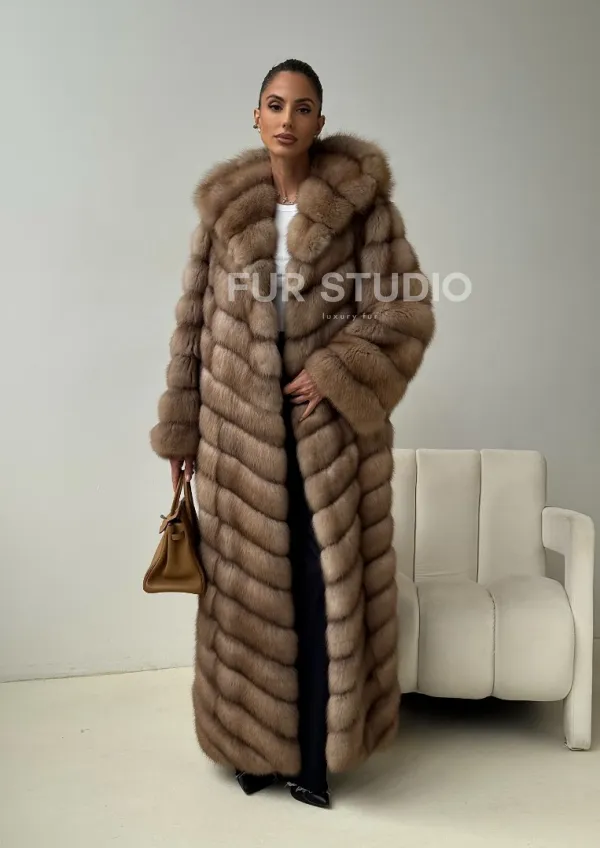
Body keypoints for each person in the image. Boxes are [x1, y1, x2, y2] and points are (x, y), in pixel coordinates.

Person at [150, 58, 435, 810]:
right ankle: (254, 747)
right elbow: (192, 328)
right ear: (255, 116)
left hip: (325, 429)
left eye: (302, 107)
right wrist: (181, 430)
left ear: (320, 120)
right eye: (274, 105)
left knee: (319, 585)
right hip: (235, 431)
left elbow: (405, 310)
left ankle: (313, 756)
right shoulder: (223, 215)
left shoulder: (363, 209)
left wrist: (335, 369)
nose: (287, 119)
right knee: (245, 590)